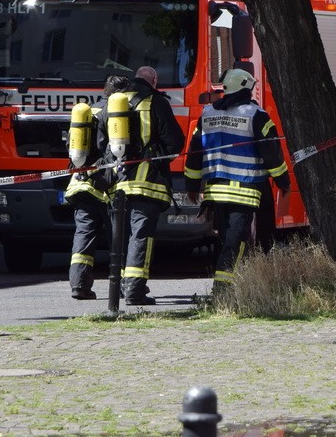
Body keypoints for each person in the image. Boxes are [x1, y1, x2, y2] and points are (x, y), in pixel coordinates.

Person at [184, 68, 290, 291]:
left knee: (227, 242)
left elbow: (194, 154)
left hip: (215, 192)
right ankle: (223, 290)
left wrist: (192, 186)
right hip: (244, 190)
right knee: (235, 243)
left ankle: (230, 288)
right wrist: (283, 181)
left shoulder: (207, 114)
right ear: (245, 88)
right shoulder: (256, 115)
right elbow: (272, 153)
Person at [99, 65, 185, 306]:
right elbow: (175, 142)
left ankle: (122, 290)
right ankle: (135, 291)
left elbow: (100, 143)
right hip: (146, 184)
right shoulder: (155, 102)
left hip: (116, 184)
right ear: (154, 80)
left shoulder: (113, 102)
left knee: (120, 238)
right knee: (140, 237)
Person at [65, 75, 130, 300]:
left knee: (84, 234)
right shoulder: (118, 114)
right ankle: (123, 287)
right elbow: (116, 151)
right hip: (107, 186)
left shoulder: (87, 112)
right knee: (118, 237)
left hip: (81, 184)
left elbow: (72, 150)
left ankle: (78, 285)